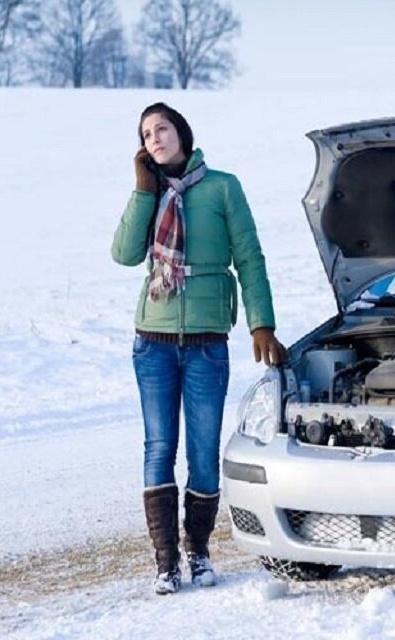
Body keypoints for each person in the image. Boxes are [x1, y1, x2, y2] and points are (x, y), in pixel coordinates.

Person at [111, 102, 285, 595]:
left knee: (204, 453)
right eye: (146, 134)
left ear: (181, 132)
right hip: (153, 342)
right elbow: (124, 254)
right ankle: (166, 562)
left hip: (207, 341)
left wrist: (261, 324)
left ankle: (200, 552)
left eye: (161, 128)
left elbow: (250, 257)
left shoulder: (222, 187)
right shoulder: (150, 192)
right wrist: (144, 191)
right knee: (159, 448)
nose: (154, 138)